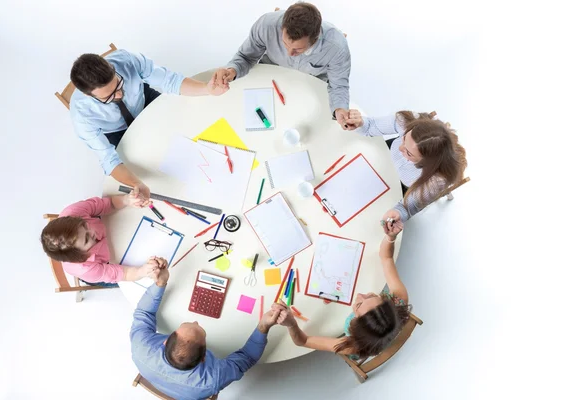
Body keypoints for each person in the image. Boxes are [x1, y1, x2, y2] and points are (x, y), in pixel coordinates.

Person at [69, 49, 228, 203]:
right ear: (88, 95)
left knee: (189, 127)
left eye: (119, 85)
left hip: (144, 101)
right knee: (154, 169)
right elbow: (108, 160)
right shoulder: (81, 115)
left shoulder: (127, 60)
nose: (118, 95)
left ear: (112, 67)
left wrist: (206, 88)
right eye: (108, 97)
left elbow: (170, 80)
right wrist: (136, 184)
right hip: (117, 131)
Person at [131, 260, 281, 400]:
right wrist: (263, 326)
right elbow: (247, 358)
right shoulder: (213, 379)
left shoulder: (140, 346)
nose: (196, 321)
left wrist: (160, 282)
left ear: (165, 342)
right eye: (201, 331)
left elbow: (143, 313)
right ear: (203, 358)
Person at [273, 222, 411, 359]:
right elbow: (386, 257)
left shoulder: (353, 346)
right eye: (371, 296)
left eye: (358, 305)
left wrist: (291, 324)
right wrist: (391, 237)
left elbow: (303, 341)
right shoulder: (399, 299)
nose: (359, 295)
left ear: (355, 324)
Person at [211, 2, 353, 129]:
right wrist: (232, 70)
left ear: (315, 39)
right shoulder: (266, 25)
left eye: (298, 49)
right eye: (285, 44)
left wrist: (340, 109)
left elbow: (338, 85)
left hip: (309, 84)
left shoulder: (337, 47)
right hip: (270, 75)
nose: (289, 53)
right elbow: (246, 57)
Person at [345, 110, 468, 224]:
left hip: (404, 187)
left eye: (409, 153)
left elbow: (408, 207)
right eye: (404, 138)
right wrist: (360, 122)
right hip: (384, 159)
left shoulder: (434, 181)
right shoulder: (408, 121)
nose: (399, 148)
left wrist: (398, 212)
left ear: (427, 164)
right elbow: (371, 125)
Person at [40, 192, 160, 285]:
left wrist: (127, 200)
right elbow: (125, 274)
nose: (92, 230)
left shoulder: (72, 211)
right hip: (103, 266)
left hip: (115, 232)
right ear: (80, 255)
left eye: (84, 224)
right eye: (87, 239)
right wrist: (143, 271)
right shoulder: (87, 270)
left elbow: (108, 204)